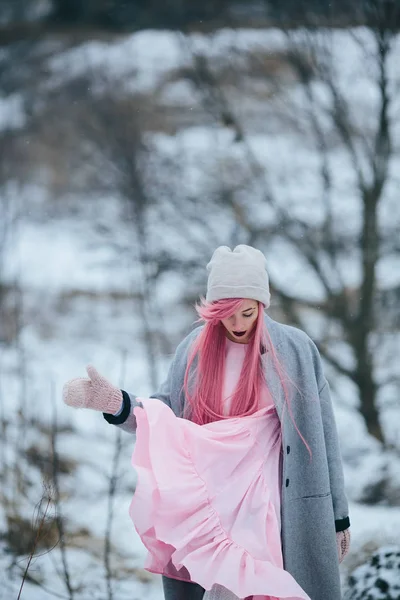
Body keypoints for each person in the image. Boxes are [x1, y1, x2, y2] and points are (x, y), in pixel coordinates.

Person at [63, 245, 351, 600]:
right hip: (214, 505)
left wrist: (338, 518)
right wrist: (116, 403)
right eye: (226, 314)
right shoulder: (193, 351)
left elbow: (324, 433)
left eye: (246, 312)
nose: (237, 324)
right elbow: (163, 417)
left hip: (278, 504)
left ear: (262, 304)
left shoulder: (295, 350)